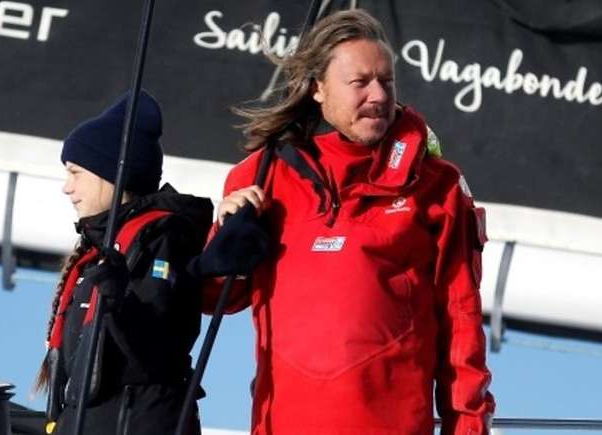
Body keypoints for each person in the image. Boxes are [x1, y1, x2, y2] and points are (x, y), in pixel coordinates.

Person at [200, 9, 495, 435]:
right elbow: (218, 299)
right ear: (317, 88)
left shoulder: (436, 186)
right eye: (360, 82)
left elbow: (460, 319)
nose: (378, 95)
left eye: (387, 81)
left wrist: (467, 428)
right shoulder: (261, 178)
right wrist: (224, 239)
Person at [35, 91, 212, 435]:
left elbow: (158, 350)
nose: (66, 187)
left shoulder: (163, 240)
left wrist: (118, 300)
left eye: (75, 173)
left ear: (110, 175)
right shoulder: (95, 251)